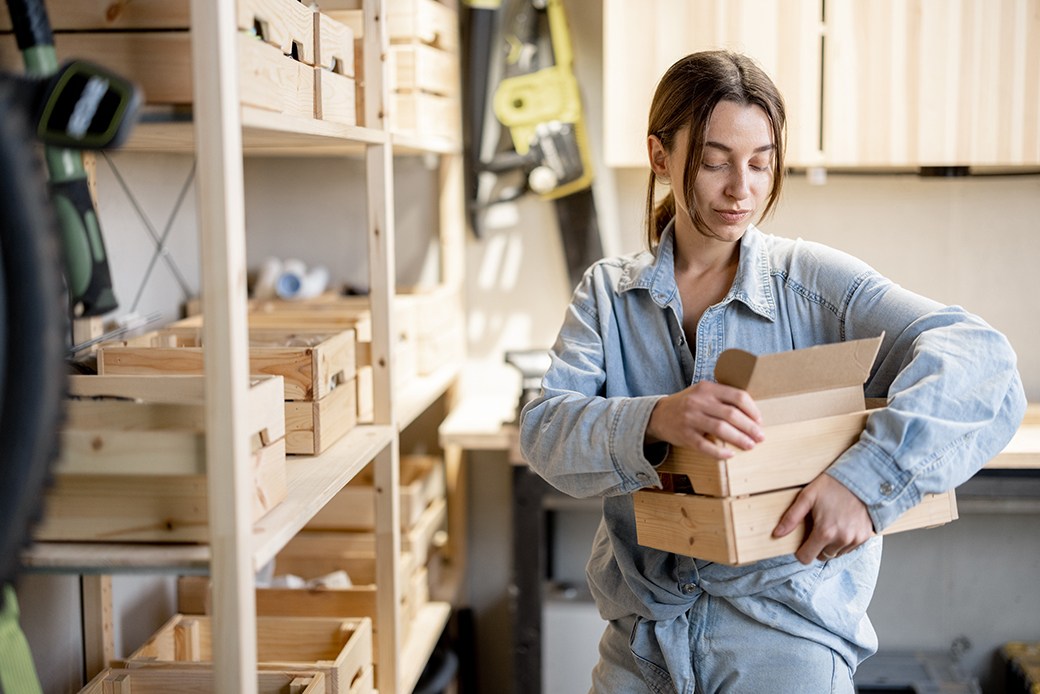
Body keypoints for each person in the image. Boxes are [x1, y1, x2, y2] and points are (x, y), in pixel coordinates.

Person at [518, 50, 1026, 693]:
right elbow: (543, 431)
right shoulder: (609, 295)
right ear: (660, 157)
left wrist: (865, 484)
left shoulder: (814, 284)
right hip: (642, 649)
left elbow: (981, 360)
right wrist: (656, 417)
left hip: (785, 647)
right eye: (713, 161)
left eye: (761, 163)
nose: (742, 188)